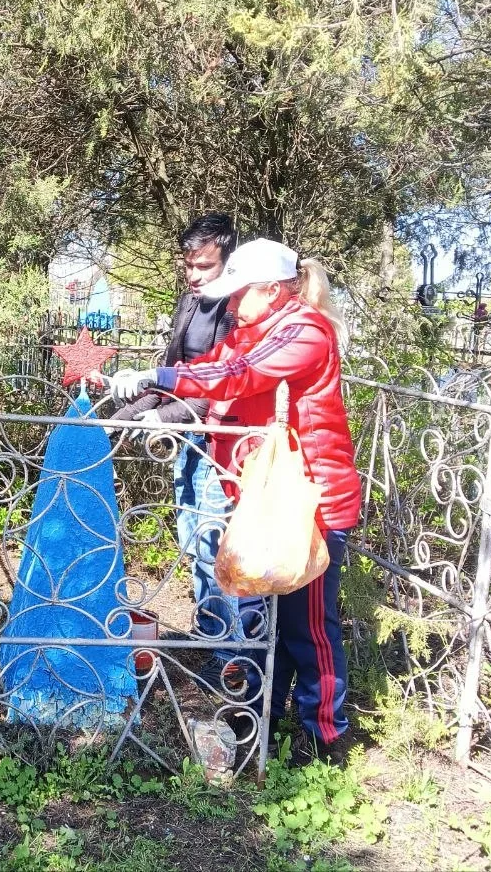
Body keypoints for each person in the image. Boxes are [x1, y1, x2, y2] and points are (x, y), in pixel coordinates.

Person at [111, 238, 361, 765]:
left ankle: (324, 737)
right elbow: (210, 377)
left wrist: (159, 377)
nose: (227, 304)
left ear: (271, 290)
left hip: (307, 504)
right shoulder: (253, 330)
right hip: (263, 501)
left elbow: (237, 376)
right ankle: (261, 717)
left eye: (237, 293)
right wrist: (149, 407)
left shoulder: (303, 330)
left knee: (308, 626)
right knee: (259, 616)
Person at [111, 212, 239, 680]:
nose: (193, 275)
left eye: (203, 266)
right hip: (187, 441)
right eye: (188, 265)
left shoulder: (238, 309)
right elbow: (172, 373)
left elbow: (219, 386)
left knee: (216, 545)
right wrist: (119, 418)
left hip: (223, 442)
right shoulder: (190, 302)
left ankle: (233, 661)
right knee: (192, 537)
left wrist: (160, 417)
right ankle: (212, 641)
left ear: (229, 260)